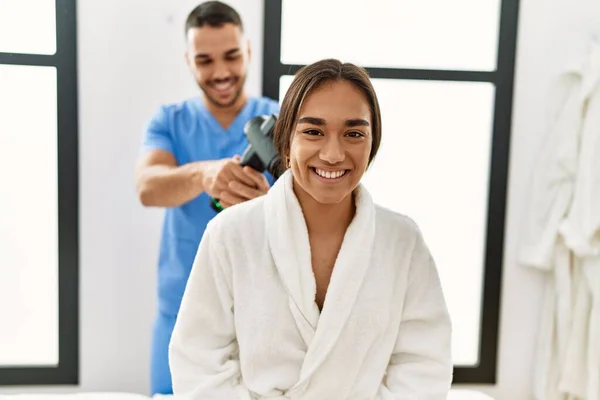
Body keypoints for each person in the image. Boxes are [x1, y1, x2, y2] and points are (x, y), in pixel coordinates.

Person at [169, 58, 453, 399]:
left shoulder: (403, 242)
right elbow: (198, 363)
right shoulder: (230, 234)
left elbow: (423, 366)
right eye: (313, 131)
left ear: (372, 143)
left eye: (353, 133)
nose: (333, 154)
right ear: (286, 144)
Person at [134, 1, 280, 395]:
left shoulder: (280, 121)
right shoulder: (170, 121)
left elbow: (312, 209)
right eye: (205, 60)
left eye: (231, 55)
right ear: (189, 60)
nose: (220, 72)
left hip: (259, 315)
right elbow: (148, 186)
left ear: (248, 50)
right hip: (180, 311)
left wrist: (271, 203)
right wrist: (202, 174)